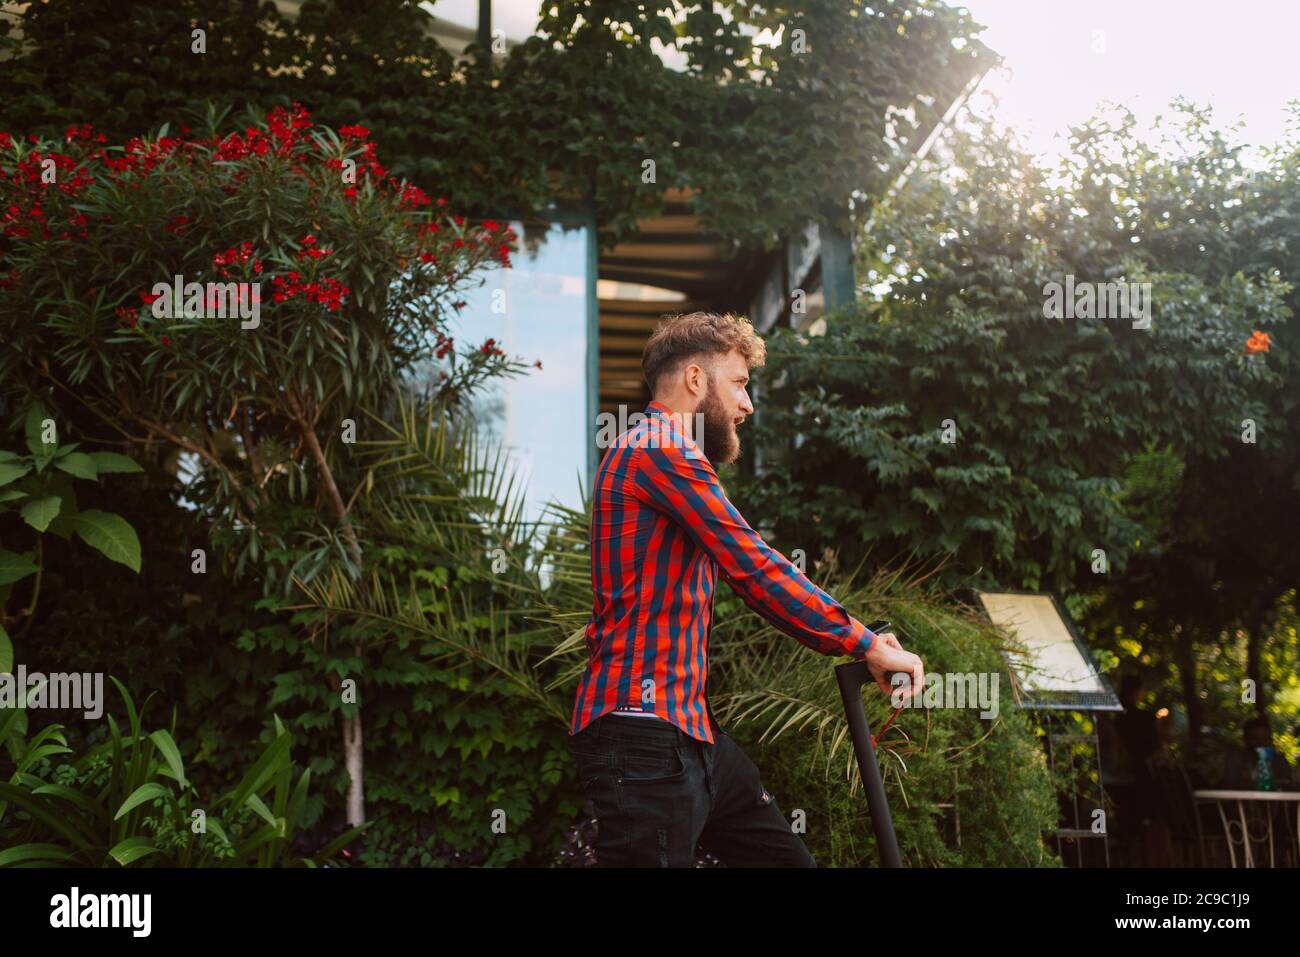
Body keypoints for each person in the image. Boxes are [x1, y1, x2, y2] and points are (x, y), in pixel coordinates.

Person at [568, 310, 925, 867]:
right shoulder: (660, 450)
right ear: (694, 379)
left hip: (685, 732)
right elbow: (754, 567)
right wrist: (865, 644)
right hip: (642, 736)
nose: (747, 403)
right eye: (738, 383)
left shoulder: (665, 454)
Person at [1220, 716, 1294, 790]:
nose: (1260, 743)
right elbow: (1230, 786)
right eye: (1254, 738)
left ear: (1271, 740)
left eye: (1265, 738)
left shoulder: (1279, 761)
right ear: (1245, 739)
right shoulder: (1236, 759)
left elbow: (1287, 785)